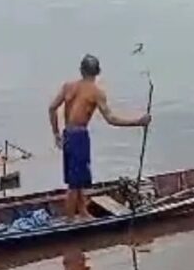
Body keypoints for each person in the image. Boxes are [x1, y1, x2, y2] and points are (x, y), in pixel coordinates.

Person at [48, 54, 150, 220]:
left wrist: (56, 134)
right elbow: (111, 119)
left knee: (77, 178)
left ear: (81, 70)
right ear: (97, 72)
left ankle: (82, 212)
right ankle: (69, 220)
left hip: (68, 134)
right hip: (79, 136)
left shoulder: (68, 86)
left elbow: (52, 108)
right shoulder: (96, 92)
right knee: (74, 184)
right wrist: (138, 121)